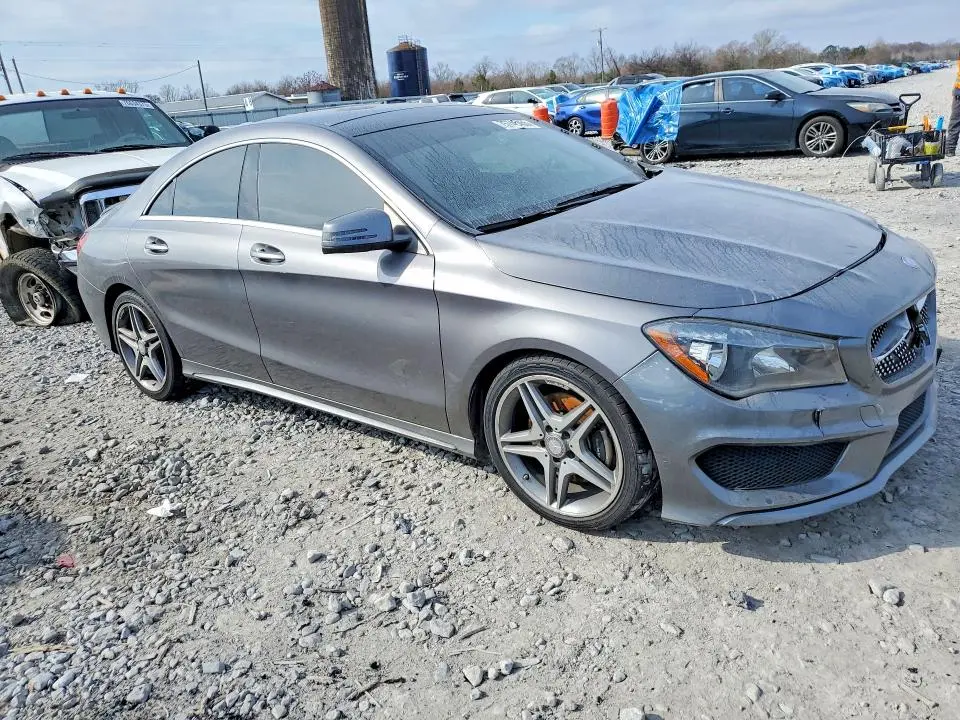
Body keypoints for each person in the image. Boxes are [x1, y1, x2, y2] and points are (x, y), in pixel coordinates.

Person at [948, 49, 960, 155]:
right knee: (955, 122)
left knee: (955, 122)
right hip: (959, 94)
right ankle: (950, 148)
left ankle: (950, 148)